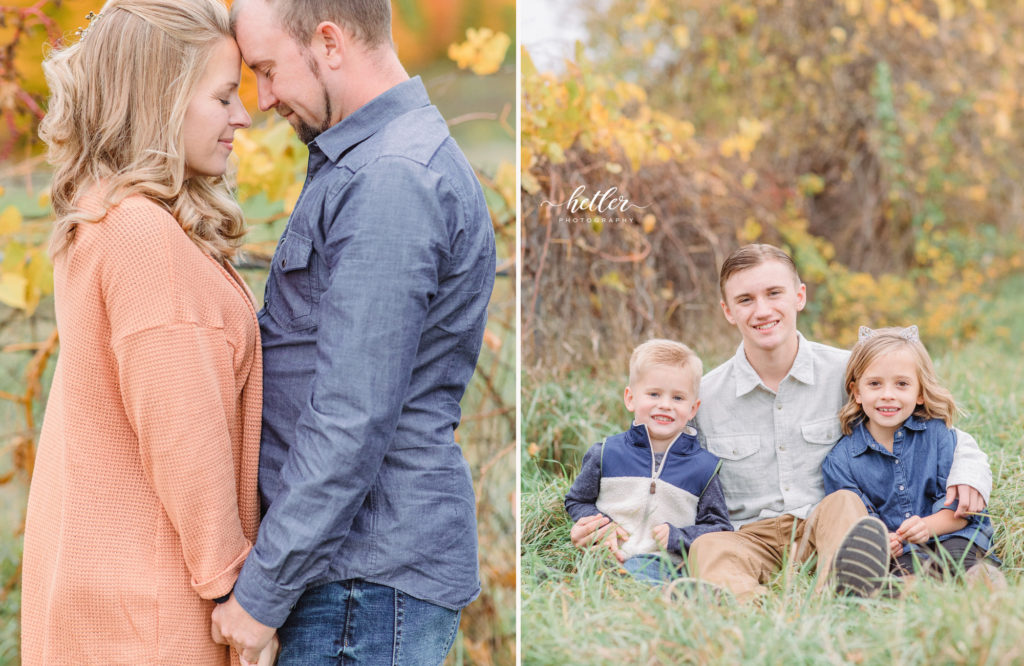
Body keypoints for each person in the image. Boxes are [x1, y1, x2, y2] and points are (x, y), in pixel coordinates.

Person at [211, 0, 496, 663]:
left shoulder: (390, 179)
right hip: (350, 580)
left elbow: (350, 416)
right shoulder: (366, 161)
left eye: (268, 70)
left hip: (361, 589)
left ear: (331, 43)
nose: (263, 97)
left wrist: (261, 595)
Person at [20, 0, 278, 663]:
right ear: (162, 99)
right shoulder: (140, 234)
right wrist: (235, 592)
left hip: (104, 590)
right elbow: (183, 433)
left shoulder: (100, 214)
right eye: (223, 97)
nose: (244, 117)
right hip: (152, 614)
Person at [570, 244, 990, 602]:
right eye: (746, 300)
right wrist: (608, 521)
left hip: (825, 523)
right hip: (749, 534)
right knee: (711, 546)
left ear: (799, 296)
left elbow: (933, 426)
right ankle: (741, 606)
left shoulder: (850, 373)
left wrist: (970, 474)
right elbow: (660, 464)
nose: (763, 310)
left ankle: (845, 593)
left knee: (847, 503)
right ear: (728, 311)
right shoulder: (705, 397)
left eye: (774, 293)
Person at [822, 326, 1000, 586]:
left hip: (954, 534)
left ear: (919, 392)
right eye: (874, 384)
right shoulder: (841, 461)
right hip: (901, 552)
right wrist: (883, 541)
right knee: (906, 579)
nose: (887, 395)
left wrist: (927, 526)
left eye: (902, 384)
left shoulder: (937, 435)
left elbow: (961, 510)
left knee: (961, 564)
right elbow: (859, 523)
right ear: (856, 391)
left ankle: (989, 596)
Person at [564, 339, 733, 583]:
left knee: (639, 580)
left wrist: (679, 536)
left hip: (663, 564)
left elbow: (719, 527)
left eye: (678, 398)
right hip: (606, 555)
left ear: (693, 408)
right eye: (654, 394)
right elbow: (577, 500)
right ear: (630, 398)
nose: (665, 405)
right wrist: (602, 525)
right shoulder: (606, 453)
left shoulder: (703, 468)